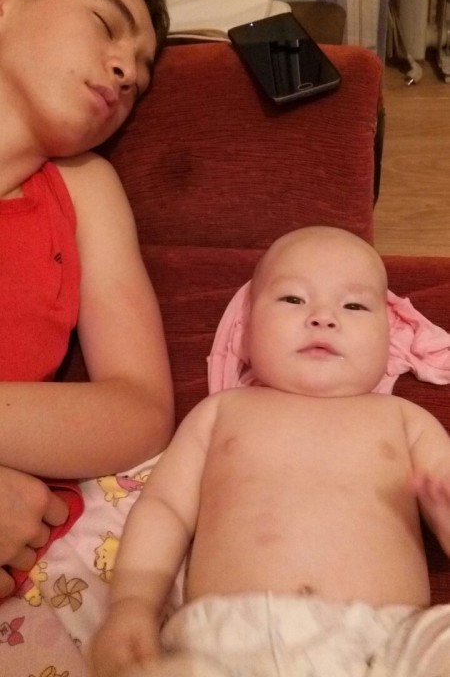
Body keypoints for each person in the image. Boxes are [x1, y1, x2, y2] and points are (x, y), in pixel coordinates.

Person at [90, 226, 450, 677]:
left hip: (392, 642)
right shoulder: (221, 411)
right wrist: (132, 604)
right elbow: (164, 508)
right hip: (231, 640)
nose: (323, 317)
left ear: (389, 336)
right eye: (293, 299)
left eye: (354, 305)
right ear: (244, 332)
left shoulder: (406, 420)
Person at [0, 0, 174, 600]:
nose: (127, 72)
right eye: (105, 24)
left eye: (142, 78)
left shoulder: (84, 188)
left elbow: (140, 409)